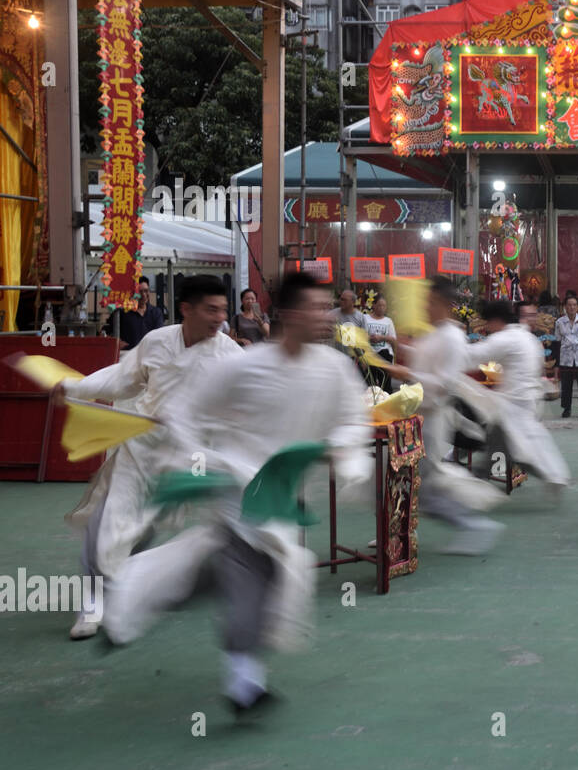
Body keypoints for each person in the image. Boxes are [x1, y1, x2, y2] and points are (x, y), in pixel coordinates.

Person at [103, 272, 373, 714]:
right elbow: (186, 415)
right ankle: (244, 685)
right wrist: (196, 463)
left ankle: (141, 594)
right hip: (239, 490)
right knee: (253, 573)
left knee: (249, 573)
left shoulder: (334, 369)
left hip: (283, 497)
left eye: (326, 307)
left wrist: (340, 451)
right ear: (288, 313)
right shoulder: (244, 366)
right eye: (316, 307)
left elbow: (352, 419)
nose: (324, 316)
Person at [54, 275, 241, 639]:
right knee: (109, 520)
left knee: (143, 529)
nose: (220, 317)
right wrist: (74, 388)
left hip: (187, 456)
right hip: (142, 444)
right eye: (212, 309)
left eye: (223, 310)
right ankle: (92, 603)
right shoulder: (156, 342)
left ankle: (125, 589)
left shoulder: (230, 355)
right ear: (187, 309)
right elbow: (121, 378)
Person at [387, 278, 506, 552]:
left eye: (428, 302)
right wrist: (403, 349)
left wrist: (408, 373)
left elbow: (446, 383)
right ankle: (396, 530)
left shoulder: (453, 337)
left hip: (432, 419)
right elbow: (424, 361)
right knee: (407, 480)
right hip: (416, 416)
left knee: (426, 489)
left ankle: (474, 525)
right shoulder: (434, 333)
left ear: (441, 302)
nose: (424, 307)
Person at [473, 300, 572, 488]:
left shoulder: (505, 338)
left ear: (495, 320)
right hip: (524, 400)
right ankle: (484, 471)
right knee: (506, 440)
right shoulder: (527, 338)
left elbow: (473, 356)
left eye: (488, 323)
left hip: (514, 403)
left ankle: (554, 477)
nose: (488, 327)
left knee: (522, 449)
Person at [555, 292, 578, 419]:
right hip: (566, 357)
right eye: (569, 305)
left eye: (574, 305)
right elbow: (558, 339)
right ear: (565, 306)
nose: (572, 307)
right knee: (566, 385)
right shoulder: (559, 322)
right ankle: (566, 408)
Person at [104, 277, 166, 351]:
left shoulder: (156, 313)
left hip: (150, 355)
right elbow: (104, 332)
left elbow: (160, 336)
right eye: (140, 292)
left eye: (146, 291)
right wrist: (116, 343)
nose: (143, 295)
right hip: (128, 356)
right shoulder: (122, 312)